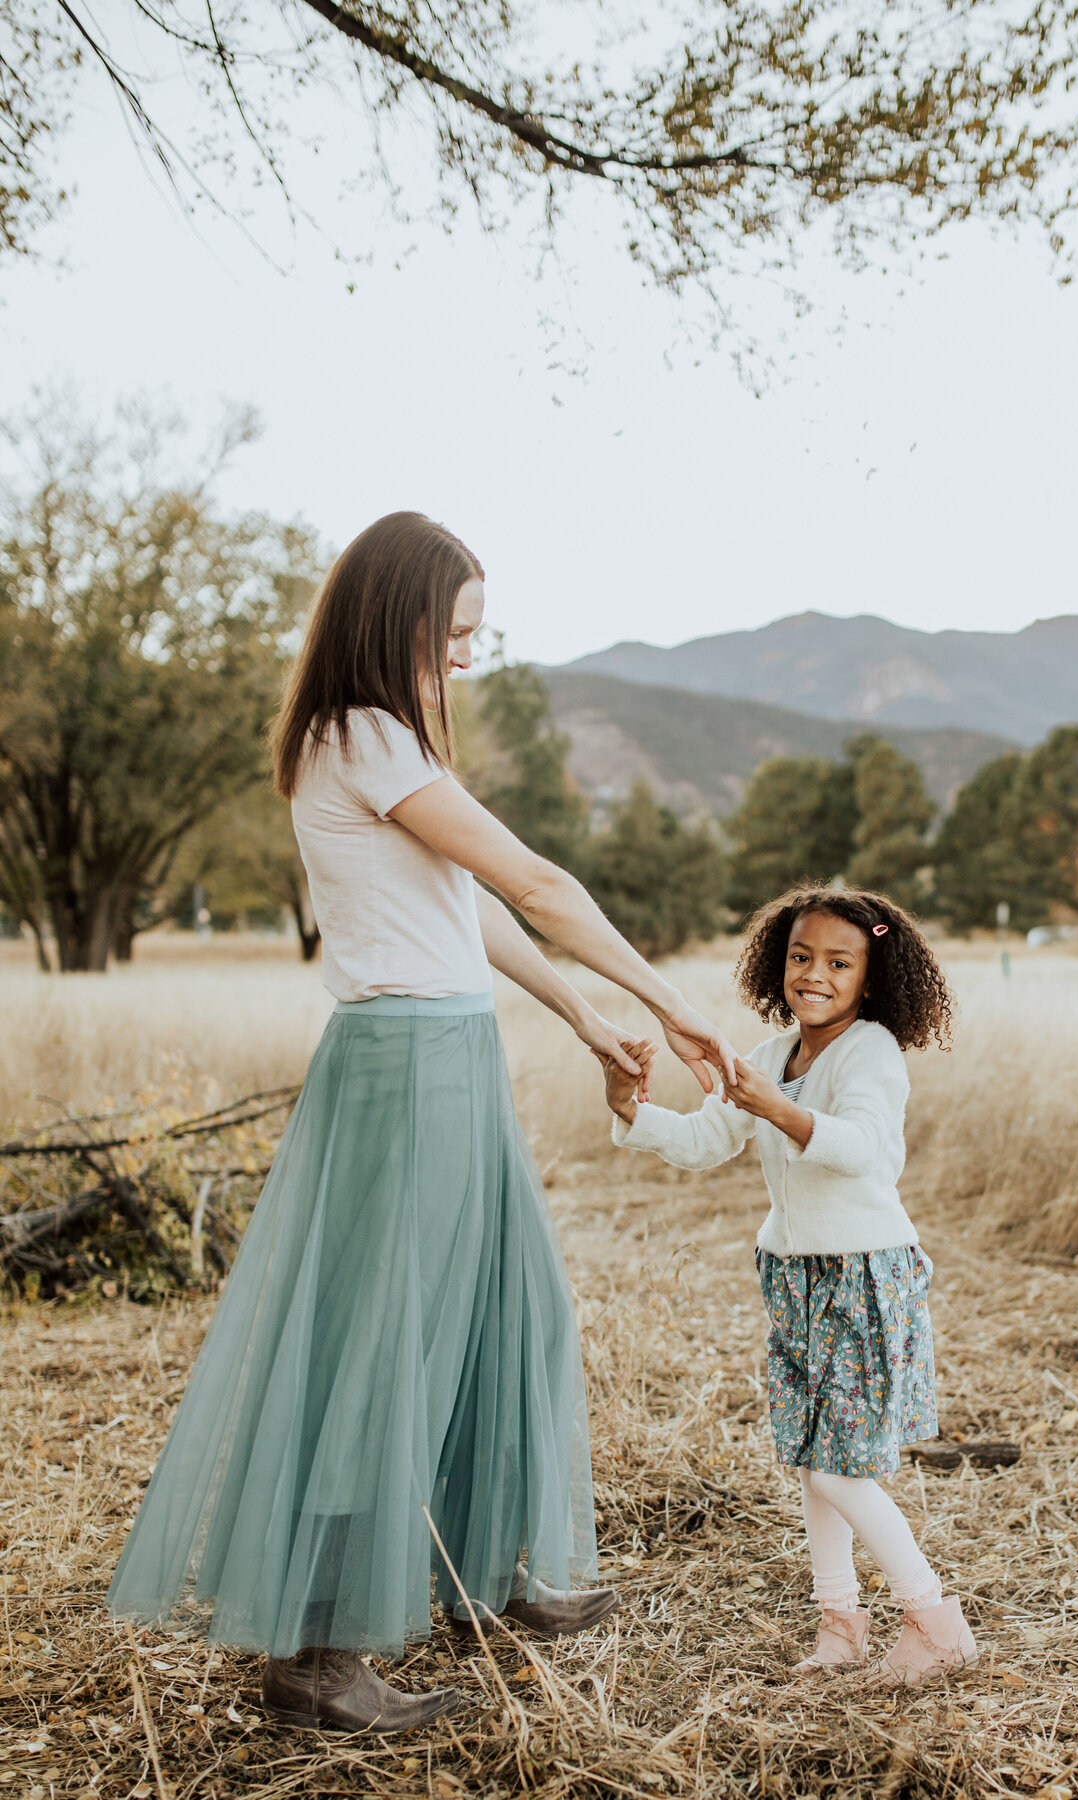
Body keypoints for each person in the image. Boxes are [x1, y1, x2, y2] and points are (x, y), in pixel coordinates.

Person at [106, 511, 736, 1734]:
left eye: (473, 639)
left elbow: (470, 914)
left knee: (509, 1307)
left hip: (452, 1049)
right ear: (392, 619)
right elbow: (537, 886)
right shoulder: (359, 735)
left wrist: (584, 1019)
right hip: (403, 1062)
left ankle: (479, 1578)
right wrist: (673, 1003)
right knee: (385, 1345)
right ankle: (319, 1658)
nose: (461, 659)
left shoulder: (387, 744)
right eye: (450, 634)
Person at [603, 885, 978, 1687]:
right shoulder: (774, 1055)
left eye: (839, 963)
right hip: (795, 1276)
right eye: (801, 957)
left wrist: (781, 1111)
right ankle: (840, 1624)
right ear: (780, 963)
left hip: (863, 1272)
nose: (815, 974)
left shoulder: (869, 1050)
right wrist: (631, 1108)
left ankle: (934, 1620)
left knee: (842, 1466)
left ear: (870, 980)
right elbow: (708, 1140)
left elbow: (865, 1148)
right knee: (814, 1461)